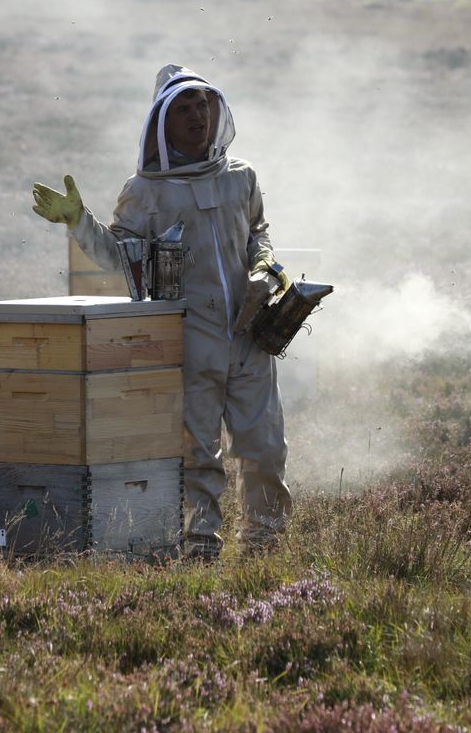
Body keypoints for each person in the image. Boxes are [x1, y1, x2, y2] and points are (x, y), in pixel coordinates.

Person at [32, 64, 292, 560]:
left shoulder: (241, 176)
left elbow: (259, 230)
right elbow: (118, 253)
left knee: (265, 445)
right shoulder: (145, 190)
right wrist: (78, 222)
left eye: (203, 105)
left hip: (250, 333)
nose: (197, 116)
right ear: (162, 122)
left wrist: (265, 266)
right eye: (184, 109)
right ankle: (200, 546)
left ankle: (266, 544)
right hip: (189, 337)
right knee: (198, 451)